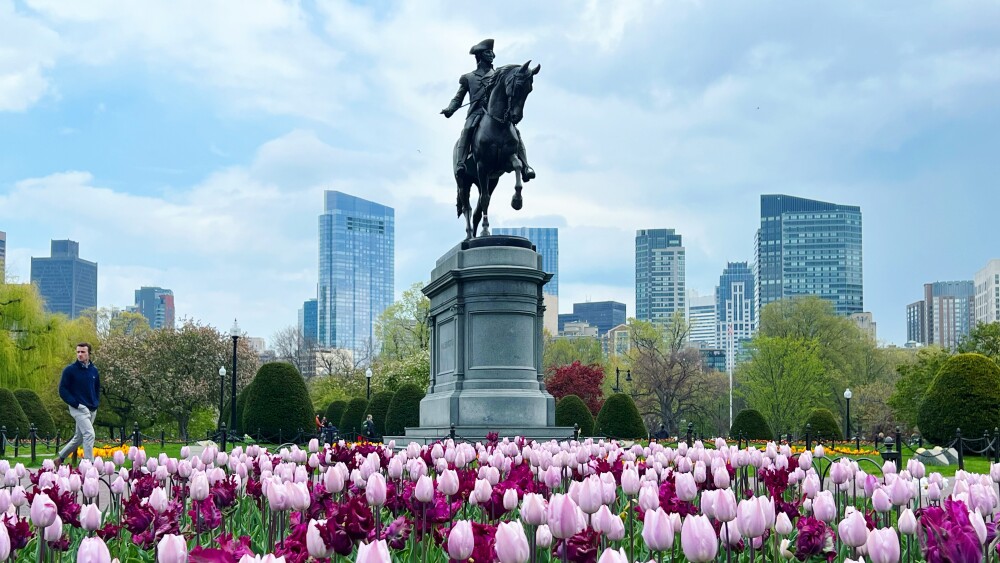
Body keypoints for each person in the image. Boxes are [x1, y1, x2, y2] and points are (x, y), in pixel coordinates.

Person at [441, 38, 535, 181]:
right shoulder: (469, 77)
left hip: (496, 113)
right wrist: (450, 109)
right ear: (479, 56)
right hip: (476, 113)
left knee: (515, 132)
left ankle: (526, 166)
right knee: (467, 130)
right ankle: (461, 163)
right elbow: (458, 98)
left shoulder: (498, 74)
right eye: (487, 52)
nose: (491, 55)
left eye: (492, 52)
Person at [56, 343, 100, 464]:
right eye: (78, 352)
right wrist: (76, 404)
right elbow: (62, 390)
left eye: (83, 352)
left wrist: (96, 403)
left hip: (92, 408)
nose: (80, 354)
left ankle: (60, 458)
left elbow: (97, 389)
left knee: (79, 438)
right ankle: (88, 465)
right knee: (89, 434)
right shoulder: (70, 370)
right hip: (78, 408)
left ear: (89, 354)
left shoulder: (94, 370)